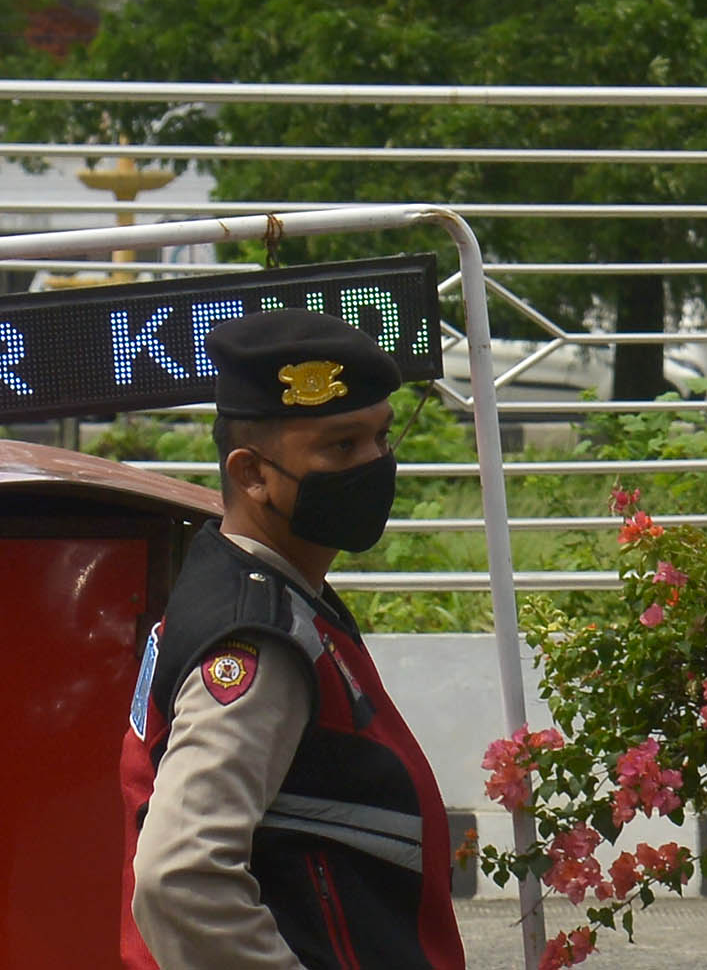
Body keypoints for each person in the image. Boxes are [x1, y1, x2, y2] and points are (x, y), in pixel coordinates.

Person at [124, 308, 460, 970]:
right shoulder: (255, 643)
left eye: (381, 438)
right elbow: (180, 880)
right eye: (340, 446)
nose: (373, 464)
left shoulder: (259, 595)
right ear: (251, 475)